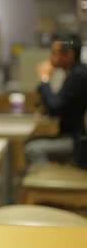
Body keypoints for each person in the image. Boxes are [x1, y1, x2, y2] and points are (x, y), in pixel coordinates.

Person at [25, 33, 87, 167]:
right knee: (30, 142)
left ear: (69, 55)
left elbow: (55, 107)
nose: (50, 57)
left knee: (33, 148)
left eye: (54, 53)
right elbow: (60, 105)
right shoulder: (75, 73)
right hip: (72, 137)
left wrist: (44, 79)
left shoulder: (78, 75)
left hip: (78, 142)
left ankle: (44, 184)